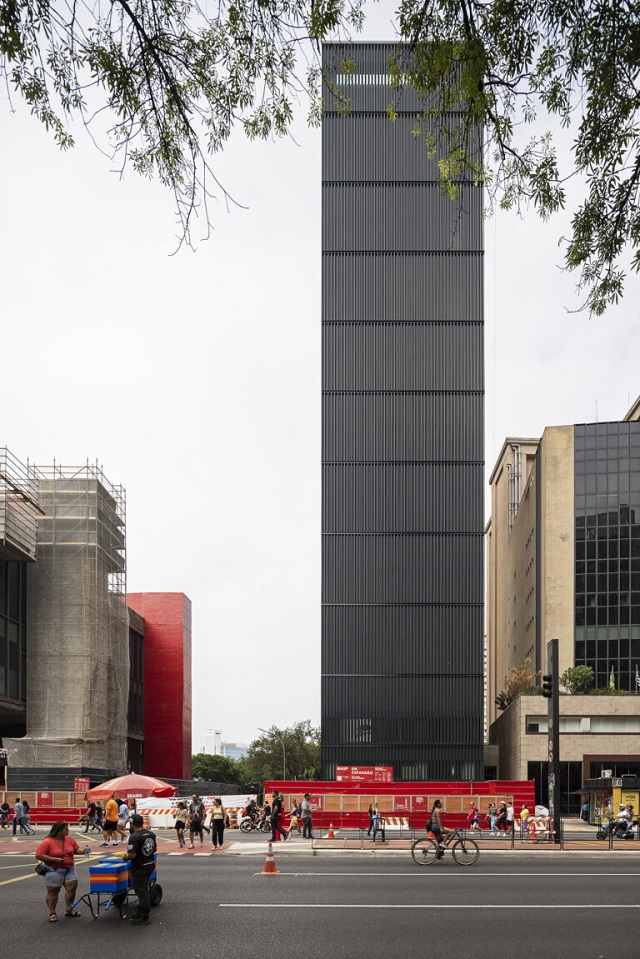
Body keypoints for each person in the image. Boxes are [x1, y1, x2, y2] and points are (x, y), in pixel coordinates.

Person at [35, 821, 89, 922]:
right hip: (53, 869)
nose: (68, 830)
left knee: (72, 889)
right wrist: (55, 860)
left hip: (69, 868)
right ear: (59, 831)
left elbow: (76, 849)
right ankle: (52, 913)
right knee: (53, 892)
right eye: (66, 829)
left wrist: (83, 851)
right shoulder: (47, 841)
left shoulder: (69, 839)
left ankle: (68, 909)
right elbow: (39, 855)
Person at [124, 813, 157, 925]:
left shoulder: (134, 837)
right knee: (144, 888)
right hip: (150, 864)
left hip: (139, 867)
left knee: (141, 891)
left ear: (132, 824)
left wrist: (125, 857)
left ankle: (144, 915)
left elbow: (132, 855)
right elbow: (155, 848)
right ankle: (141, 910)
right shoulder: (151, 834)